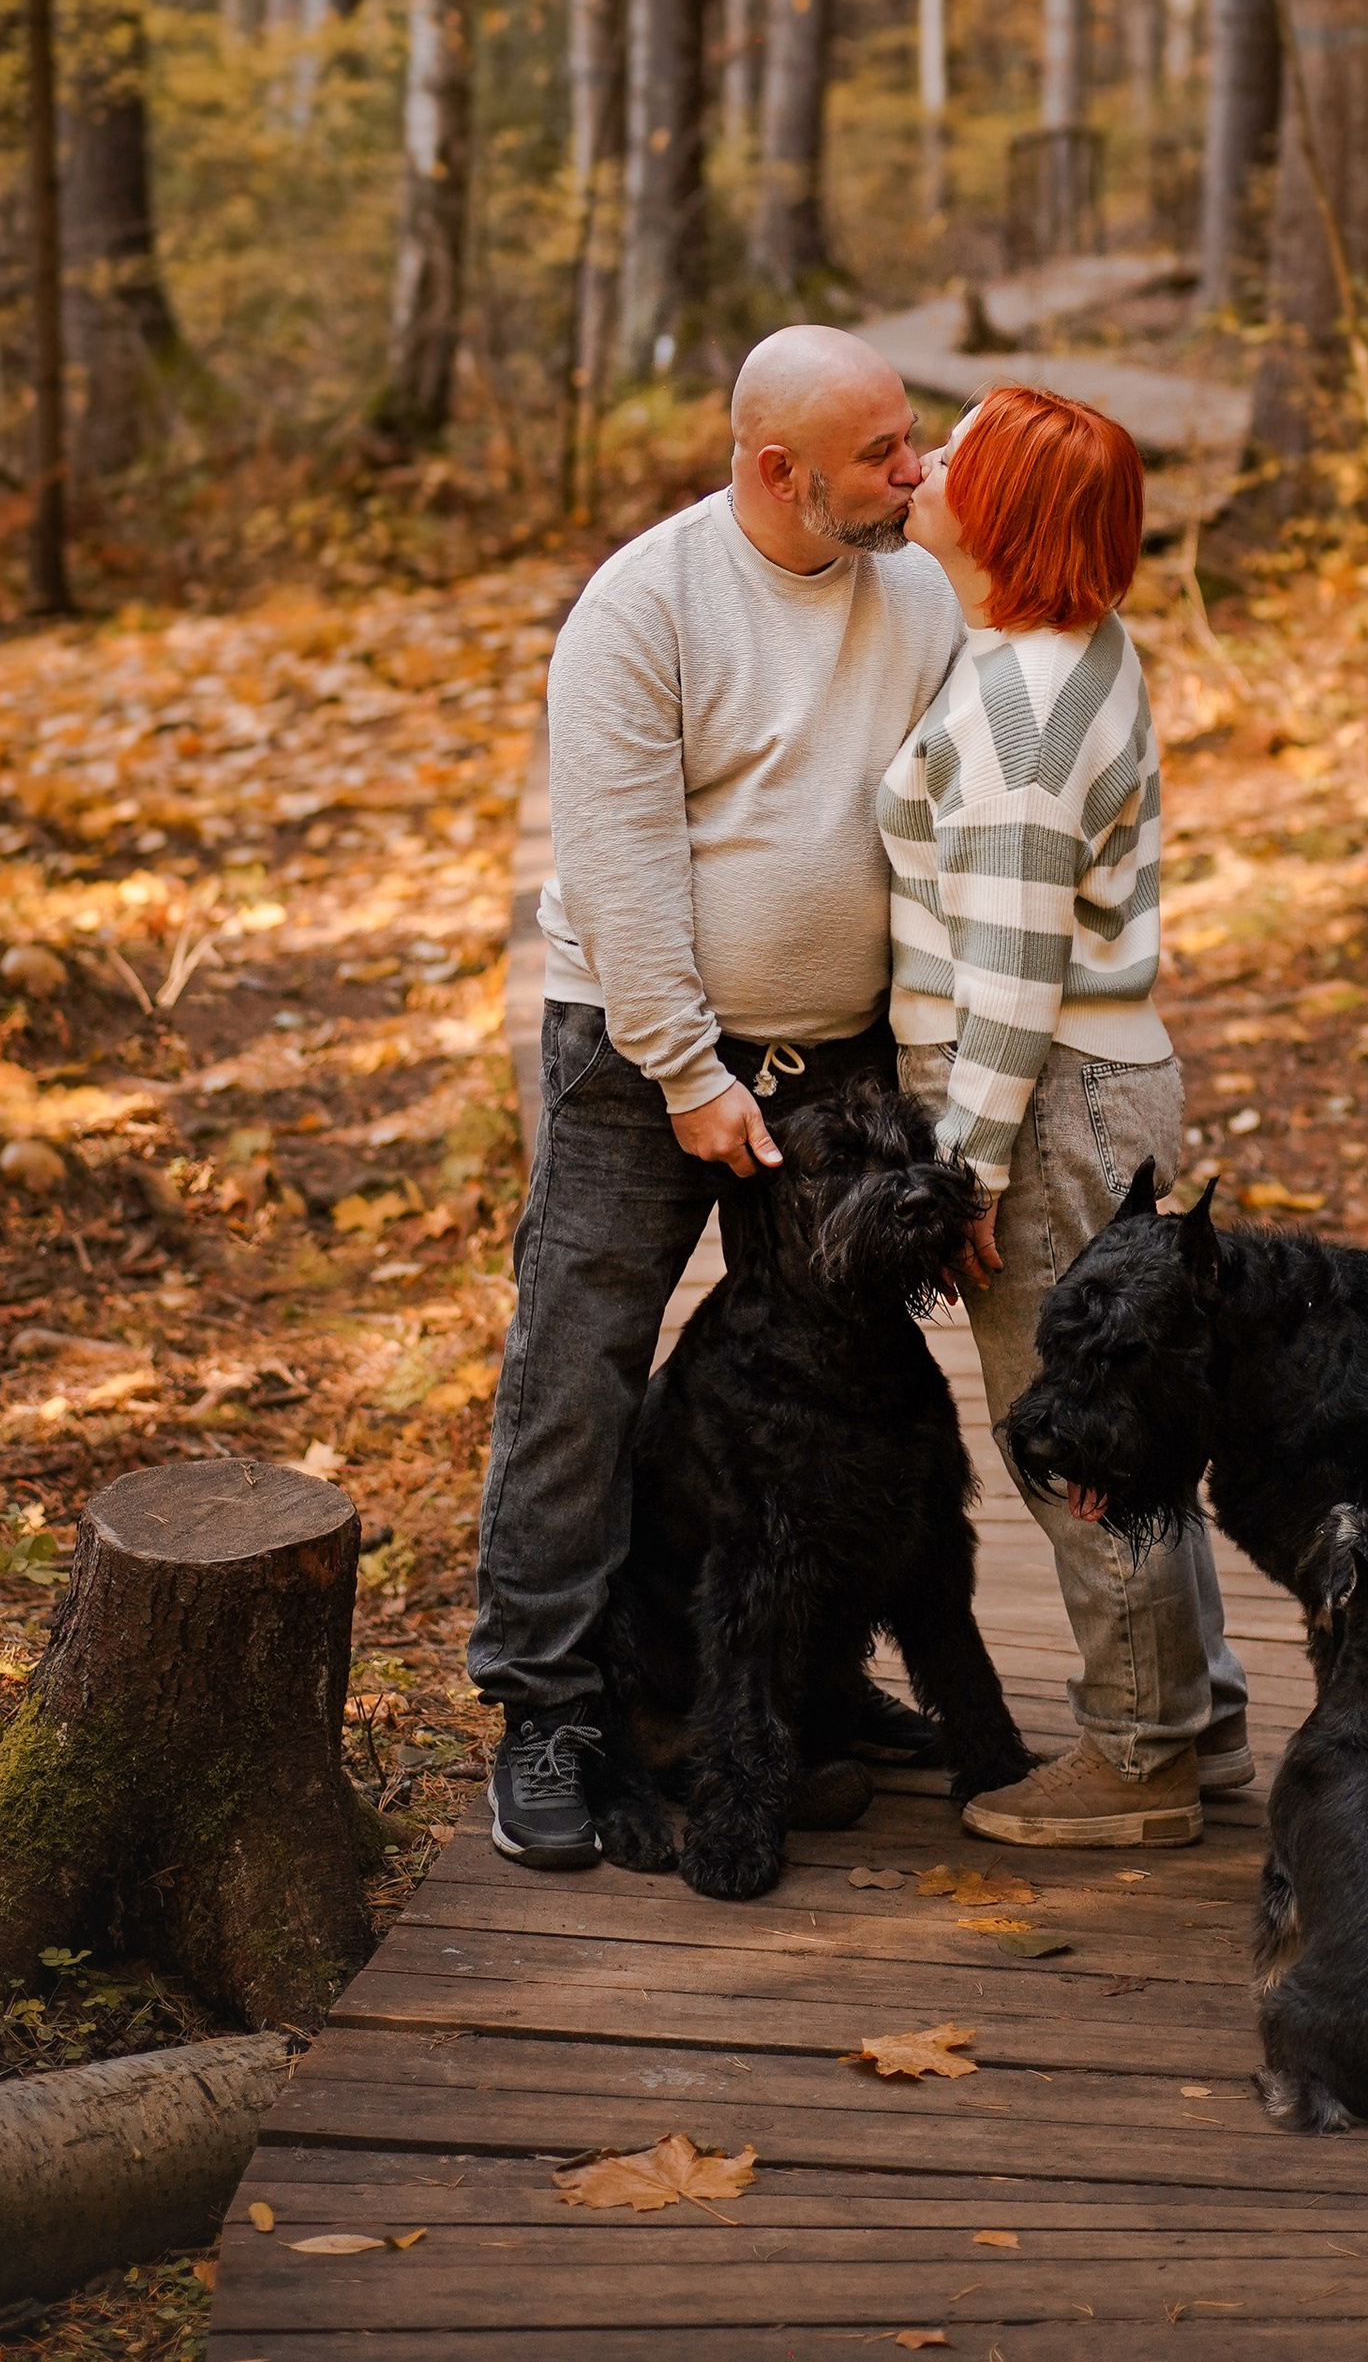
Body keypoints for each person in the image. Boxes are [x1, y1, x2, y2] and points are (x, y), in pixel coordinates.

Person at [472, 324, 966, 1869]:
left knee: (834, 1388)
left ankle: (811, 1681)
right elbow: (619, 867)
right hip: (641, 1052)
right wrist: (686, 1068)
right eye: (884, 454)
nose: (917, 470)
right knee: (584, 1355)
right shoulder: (645, 608)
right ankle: (551, 1701)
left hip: (846, 1063)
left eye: (913, 437)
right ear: (777, 472)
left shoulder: (922, 593)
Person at [880, 381, 1251, 1847]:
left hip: (1036, 1111)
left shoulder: (1020, 721)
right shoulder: (1077, 645)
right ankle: (1195, 1714)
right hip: (1102, 1091)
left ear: (1002, 513)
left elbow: (1015, 982)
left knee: (1078, 1441)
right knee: (1135, 1422)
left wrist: (960, 1176)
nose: (929, 462)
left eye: (959, 455)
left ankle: (1139, 1758)